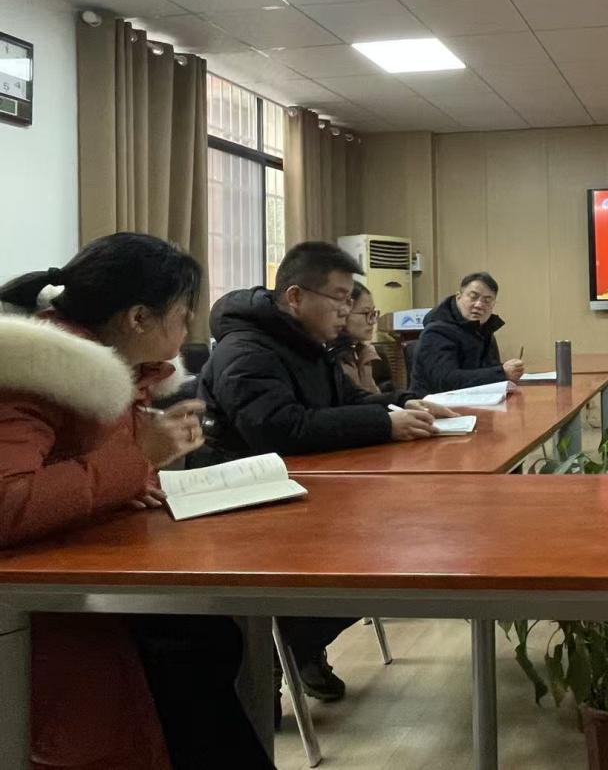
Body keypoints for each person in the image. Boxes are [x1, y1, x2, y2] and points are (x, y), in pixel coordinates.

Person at [0, 233, 272, 770]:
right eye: (183, 314)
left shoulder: (114, 368)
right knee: (191, 643)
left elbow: (76, 466)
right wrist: (136, 458)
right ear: (139, 318)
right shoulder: (33, 376)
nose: (189, 328)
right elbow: (7, 503)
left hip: (83, 571)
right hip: (36, 606)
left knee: (207, 635)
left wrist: (135, 475)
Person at [197, 241, 454, 706]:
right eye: (338, 297)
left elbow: (349, 403)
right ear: (295, 297)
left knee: (384, 547)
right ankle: (271, 660)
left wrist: (403, 404)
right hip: (249, 507)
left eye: (349, 298)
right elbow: (279, 428)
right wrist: (383, 423)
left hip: (308, 490)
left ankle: (301, 645)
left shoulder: (309, 344)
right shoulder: (246, 349)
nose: (347, 310)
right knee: (365, 558)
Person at [411, 271, 524, 394]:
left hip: (476, 399)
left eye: (487, 301)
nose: (479, 305)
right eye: (473, 297)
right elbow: (446, 381)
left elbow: (488, 371)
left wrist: (510, 371)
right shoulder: (436, 332)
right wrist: (501, 372)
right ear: (458, 297)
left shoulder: (484, 330)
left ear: (493, 305)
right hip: (432, 403)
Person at [328, 281, 385, 393]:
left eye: (373, 313)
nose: (372, 321)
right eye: (366, 313)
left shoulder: (362, 352)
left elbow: (372, 397)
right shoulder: (330, 358)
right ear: (343, 312)